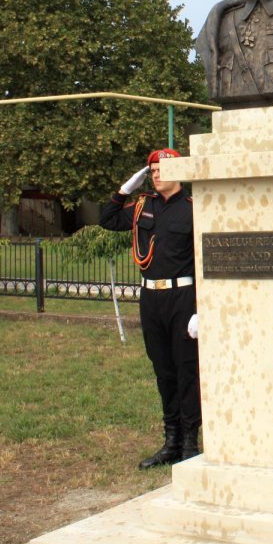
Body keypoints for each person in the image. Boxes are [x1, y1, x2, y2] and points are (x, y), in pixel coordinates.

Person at [99, 148, 201, 469]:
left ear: (179, 172)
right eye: (153, 170)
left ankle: (189, 442)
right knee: (163, 370)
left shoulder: (194, 210)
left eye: (162, 170)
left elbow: (205, 261)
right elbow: (107, 219)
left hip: (183, 298)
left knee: (187, 370)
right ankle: (170, 440)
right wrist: (124, 191)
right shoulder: (144, 206)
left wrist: (202, 308)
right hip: (151, 300)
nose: (156, 175)